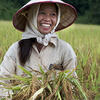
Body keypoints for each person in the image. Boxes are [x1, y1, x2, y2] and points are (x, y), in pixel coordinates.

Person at [0, 0, 77, 99]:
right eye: (42, 13)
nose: (47, 19)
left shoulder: (65, 50)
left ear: (57, 19)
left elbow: (72, 85)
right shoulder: (16, 49)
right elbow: (2, 81)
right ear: (32, 15)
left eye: (53, 14)